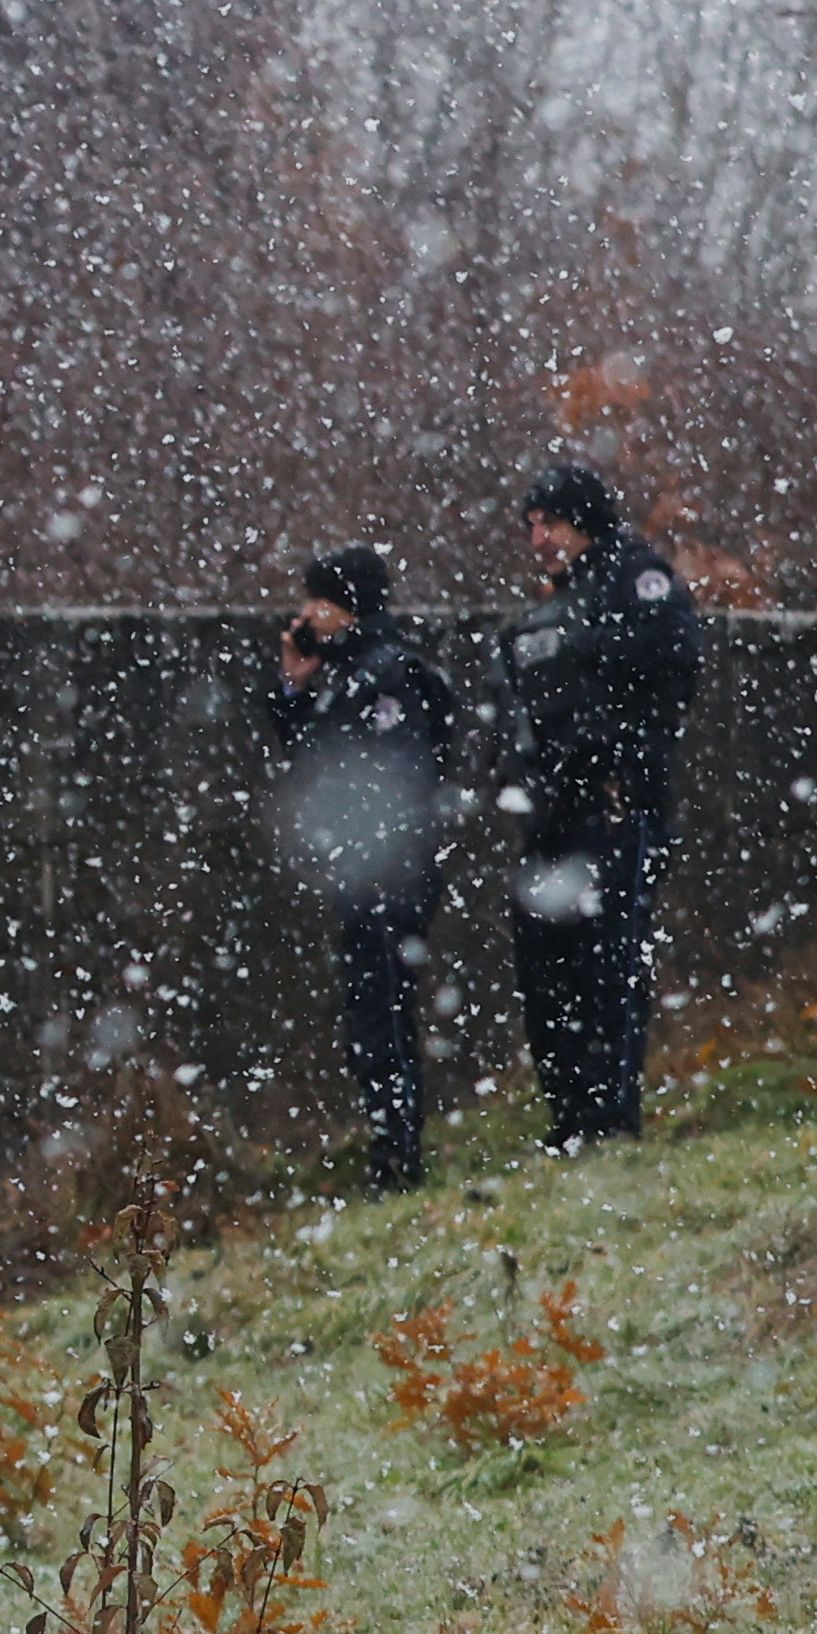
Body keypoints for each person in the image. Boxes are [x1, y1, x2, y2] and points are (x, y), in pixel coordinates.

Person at [500, 459, 703, 1149]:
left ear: (581, 520)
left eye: (548, 524)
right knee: (547, 972)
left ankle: (610, 1121)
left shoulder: (633, 580)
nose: (538, 540)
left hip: (616, 805)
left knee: (607, 969)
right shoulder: (551, 605)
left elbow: (671, 658)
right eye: (531, 527)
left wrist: (585, 649)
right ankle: (570, 1120)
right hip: (554, 811)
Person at [255, 544, 460, 1191]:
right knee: (369, 1014)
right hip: (360, 869)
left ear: (342, 607)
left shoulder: (386, 674)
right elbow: (316, 760)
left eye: (316, 603)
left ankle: (397, 1156)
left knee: (383, 1013)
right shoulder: (343, 675)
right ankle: (387, 1145)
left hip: (385, 873)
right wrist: (292, 686)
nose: (304, 615)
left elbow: (396, 775)